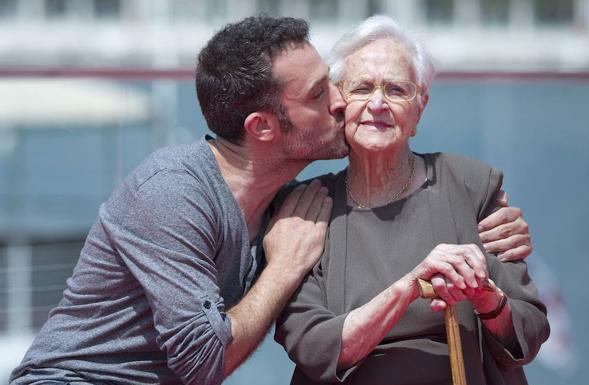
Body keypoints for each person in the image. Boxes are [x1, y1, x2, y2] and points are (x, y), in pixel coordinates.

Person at [10, 16, 532, 385]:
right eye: (318, 95)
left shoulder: (288, 201)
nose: (340, 102)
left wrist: (500, 226)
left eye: (331, 85)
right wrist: (282, 269)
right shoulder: (172, 193)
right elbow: (204, 360)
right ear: (261, 128)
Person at [275, 16, 549, 385]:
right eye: (362, 88)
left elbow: (529, 332)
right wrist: (410, 287)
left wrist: (487, 299)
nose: (377, 103)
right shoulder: (307, 207)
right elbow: (313, 346)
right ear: (339, 102)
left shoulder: (471, 186)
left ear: (419, 108)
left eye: (396, 90)